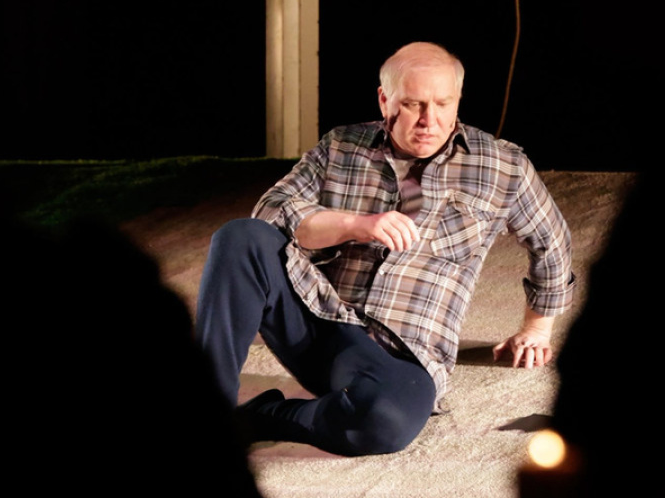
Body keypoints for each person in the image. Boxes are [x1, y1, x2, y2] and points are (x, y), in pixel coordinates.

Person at [195, 41, 577, 456]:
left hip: (402, 354)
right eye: (413, 105)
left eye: (443, 104)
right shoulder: (341, 146)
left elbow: (552, 240)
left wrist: (537, 329)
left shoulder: (502, 166)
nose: (429, 120)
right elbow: (270, 212)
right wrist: (355, 225)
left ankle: (259, 418)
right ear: (384, 100)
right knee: (240, 237)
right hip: (315, 320)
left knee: (384, 421)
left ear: (458, 99)